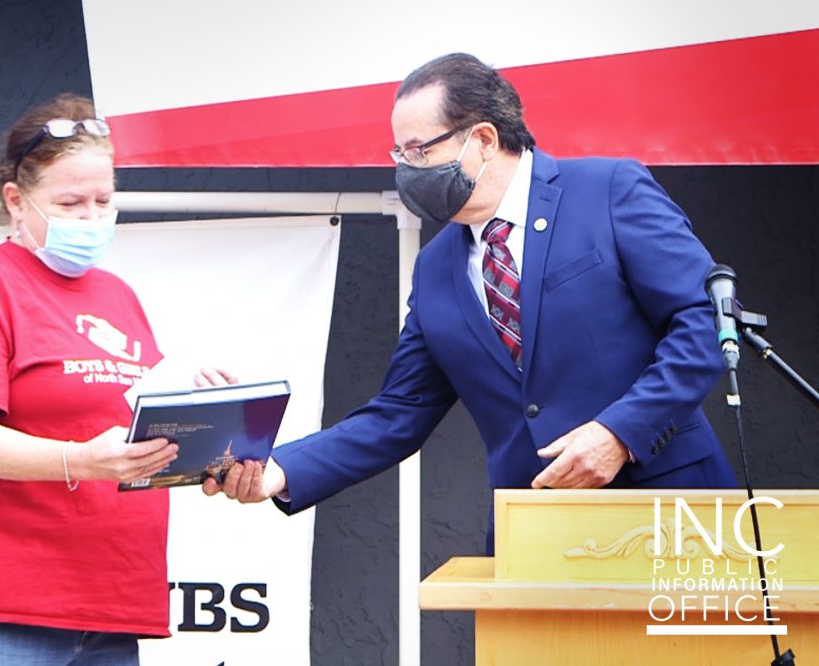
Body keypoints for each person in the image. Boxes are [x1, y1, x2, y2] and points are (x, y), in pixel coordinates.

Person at [204, 53, 737, 551]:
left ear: (483, 138)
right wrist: (278, 470)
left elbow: (704, 321)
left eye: (420, 151)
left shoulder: (608, 190)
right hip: (533, 533)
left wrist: (620, 433)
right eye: (399, 154)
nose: (407, 168)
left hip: (673, 512)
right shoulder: (436, 268)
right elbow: (399, 412)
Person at [0, 94, 235, 664]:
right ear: (16, 199)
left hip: (113, 603)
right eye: (70, 201)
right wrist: (80, 461)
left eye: (104, 200)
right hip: (1, 607)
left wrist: (208, 432)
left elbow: (126, 436)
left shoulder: (117, 295)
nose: (91, 217)